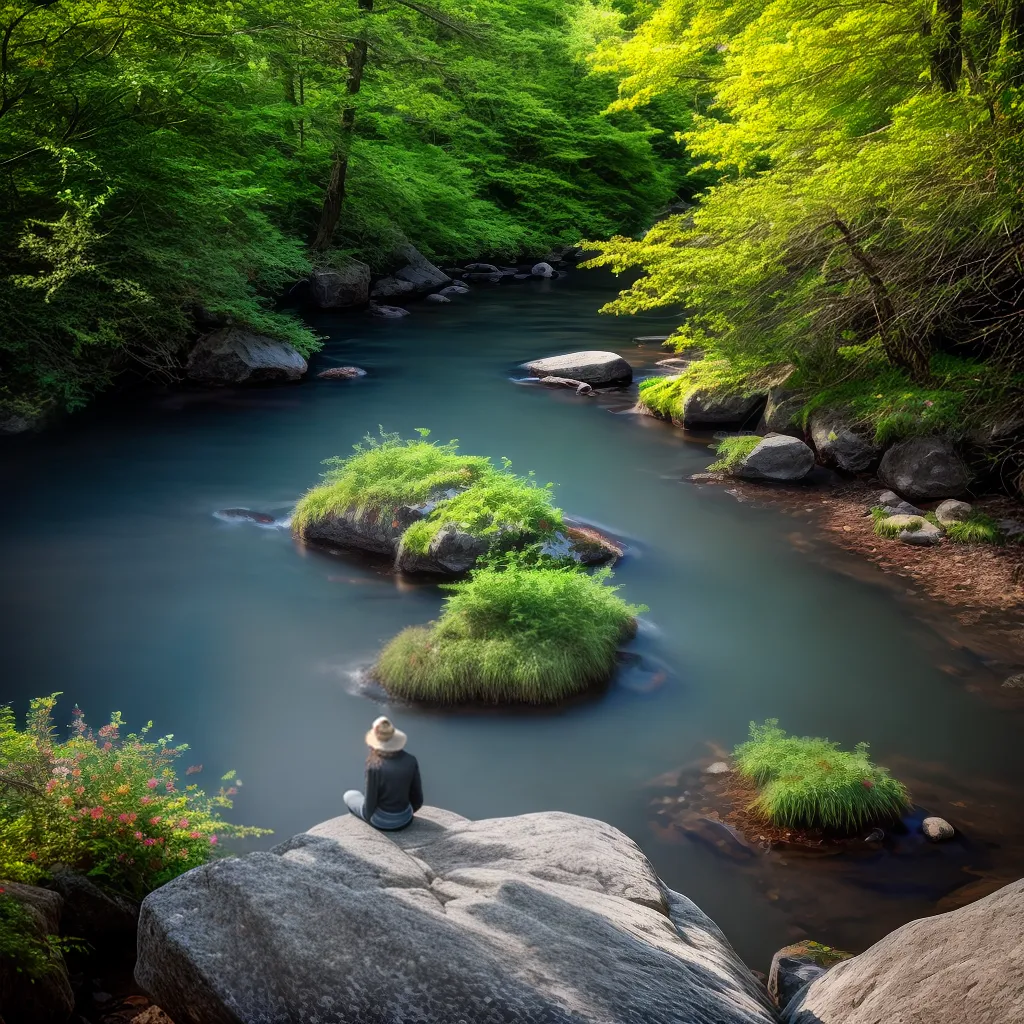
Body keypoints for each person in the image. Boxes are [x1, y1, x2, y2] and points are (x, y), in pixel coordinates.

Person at [344, 716, 423, 830]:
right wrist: (407, 813)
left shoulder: (374, 766)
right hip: (406, 818)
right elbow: (418, 800)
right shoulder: (411, 760)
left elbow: (369, 807)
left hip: (382, 822)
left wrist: (368, 817)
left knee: (350, 795)